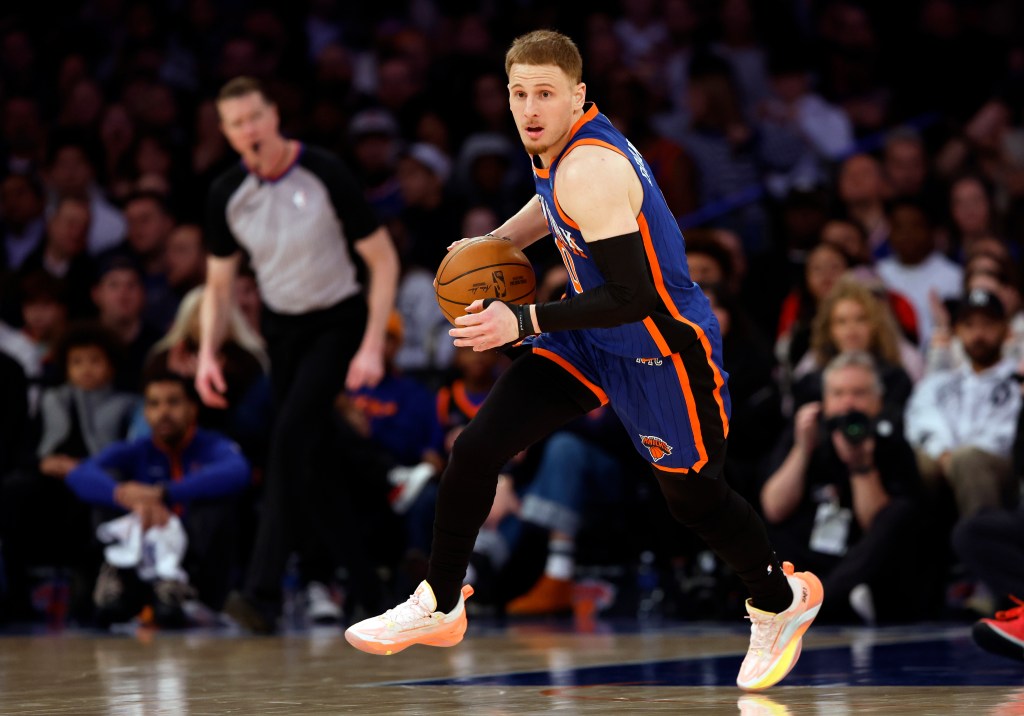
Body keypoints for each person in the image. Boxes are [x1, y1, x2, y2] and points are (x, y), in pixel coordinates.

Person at [345, 30, 822, 692]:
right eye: (519, 94)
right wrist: (497, 241)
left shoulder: (589, 168)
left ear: (578, 97)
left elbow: (633, 295)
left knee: (695, 499)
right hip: (593, 337)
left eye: (546, 93)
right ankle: (440, 600)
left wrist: (522, 320)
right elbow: (552, 208)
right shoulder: (556, 151)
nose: (531, 107)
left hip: (661, 346)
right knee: (478, 445)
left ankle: (780, 601)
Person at [196, 76, 399, 633]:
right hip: (282, 333)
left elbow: (383, 261)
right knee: (312, 464)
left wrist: (372, 344)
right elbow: (217, 286)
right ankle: (371, 590)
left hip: (338, 320)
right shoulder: (226, 195)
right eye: (236, 124)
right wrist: (208, 355)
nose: (248, 131)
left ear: (274, 114)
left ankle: (260, 592)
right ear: (226, 132)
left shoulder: (326, 171)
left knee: (287, 440)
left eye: (255, 117)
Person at [66, 371, 250, 627]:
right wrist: (124, 496)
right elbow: (79, 473)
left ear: (192, 409)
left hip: (193, 558)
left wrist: (164, 493)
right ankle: (116, 591)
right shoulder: (136, 450)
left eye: (173, 402)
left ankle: (187, 595)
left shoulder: (211, 445)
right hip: (141, 556)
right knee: (102, 502)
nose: (163, 412)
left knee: (218, 505)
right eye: (154, 404)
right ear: (145, 413)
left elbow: (238, 471)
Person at [760, 351, 924, 624]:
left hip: (862, 566)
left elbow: (880, 525)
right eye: (838, 394)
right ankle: (816, 599)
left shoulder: (891, 440)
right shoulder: (806, 434)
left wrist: (860, 466)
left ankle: (820, 603)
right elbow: (773, 508)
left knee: (900, 515)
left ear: (877, 401)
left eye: (858, 393)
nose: (848, 404)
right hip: (809, 558)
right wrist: (802, 449)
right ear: (824, 400)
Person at [905, 288, 1021, 524]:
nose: (978, 334)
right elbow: (919, 424)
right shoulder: (939, 382)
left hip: (1002, 469)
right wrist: (943, 453)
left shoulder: (1017, 382)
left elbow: (1011, 433)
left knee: (968, 460)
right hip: (945, 463)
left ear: (1005, 330)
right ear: (956, 331)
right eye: (969, 325)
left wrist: (957, 457)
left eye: (988, 324)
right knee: (916, 461)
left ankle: (984, 549)